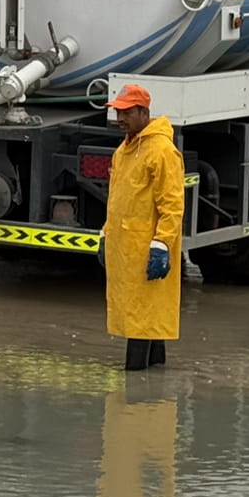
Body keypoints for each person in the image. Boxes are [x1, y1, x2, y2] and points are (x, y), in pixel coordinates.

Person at [101, 84, 184, 371]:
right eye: (117, 112)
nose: (120, 118)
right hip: (125, 250)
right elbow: (119, 198)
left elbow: (172, 205)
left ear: (143, 112)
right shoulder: (124, 150)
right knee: (144, 318)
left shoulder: (161, 151)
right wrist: (106, 233)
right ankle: (152, 388)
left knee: (142, 319)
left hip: (145, 250)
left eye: (126, 112)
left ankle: (136, 390)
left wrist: (161, 245)